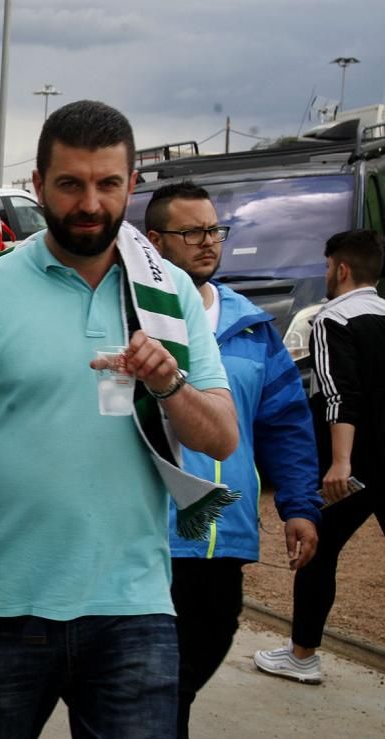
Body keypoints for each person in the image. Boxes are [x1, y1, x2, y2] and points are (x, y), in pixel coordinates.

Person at [0, 100, 238, 738]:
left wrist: (168, 380)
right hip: (4, 607)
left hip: (134, 611)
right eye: (70, 184)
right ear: (38, 186)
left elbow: (220, 436)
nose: (90, 202)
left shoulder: (167, 294)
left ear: (131, 186)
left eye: (107, 184)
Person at [144, 181, 322, 734]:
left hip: (223, 541)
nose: (208, 242)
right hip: (147, 537)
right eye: (191, 232)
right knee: (149, 691)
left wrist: (299, 505)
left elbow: (285, 422)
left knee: (187, 676)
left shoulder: (251, 325)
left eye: (215, 230)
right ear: (155, 241)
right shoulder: (136, 318)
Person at [255, 229, 385, 684]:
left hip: (357, 466)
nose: (326, 275)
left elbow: (338, 396)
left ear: (342, 269)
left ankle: (303, 655)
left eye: (328, 267)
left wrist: (340, 462)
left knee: (317, 547)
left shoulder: (332, 319)